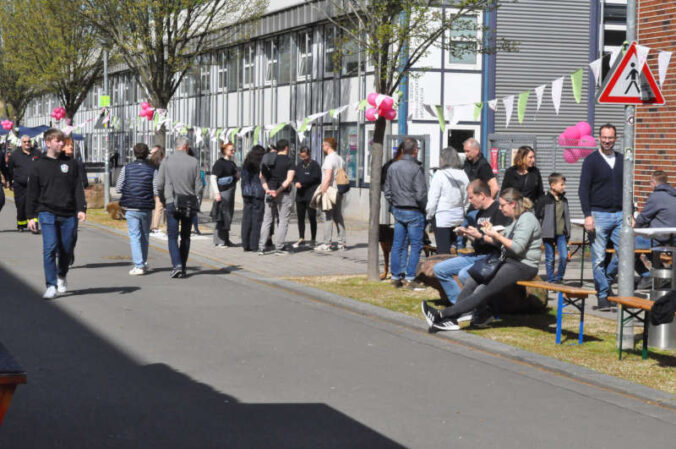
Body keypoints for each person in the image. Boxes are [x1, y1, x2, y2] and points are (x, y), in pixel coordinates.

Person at [422, 188, 542, 331]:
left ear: (513, 204)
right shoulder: (514, 220)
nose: (500, 207)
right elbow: (501, 243)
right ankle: (453, 319)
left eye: (503, 205)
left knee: (484, 289)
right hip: (509, 261)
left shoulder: (527, 219)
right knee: (473, 279)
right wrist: (485, 234)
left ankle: (442, 315)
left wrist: (497, 236)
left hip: (523, 265)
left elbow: (517, 248)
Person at [26, 128, 86, 299]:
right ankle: (51, 284)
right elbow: (32, 192)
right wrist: (31, 216)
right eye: (58, 141)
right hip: (47, 212)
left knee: (66, 249)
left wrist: (81, 208)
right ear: (48, 143)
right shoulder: (38, 165)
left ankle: (61, 275)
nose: (62, 144)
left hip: (68, 213)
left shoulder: (71, 163)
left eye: (63, 141)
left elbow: (77, 188)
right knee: (50, 248)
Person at [433, 180, 511, 305]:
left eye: (471, 197)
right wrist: (467, 234)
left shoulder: (498, 211)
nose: (469, 201)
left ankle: (476, 308)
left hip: (492, 257)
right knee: (439, 269)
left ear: (482, 195)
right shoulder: (479, 213)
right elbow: (478, 241)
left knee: (465, 274)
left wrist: (479, 235)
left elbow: (499, 242)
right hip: (476, 255)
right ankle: (460, 305)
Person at [578, 123, 623, 311]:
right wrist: (587, 215)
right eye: (604, 137)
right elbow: (583, 190)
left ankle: (606, 280)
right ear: (599, 137)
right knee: (597, 259)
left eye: (610, 137)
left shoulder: (622, 159)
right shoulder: (591, 160)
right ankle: (603, 295)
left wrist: (631, 213)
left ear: (616, 138)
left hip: (620, 215)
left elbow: (628, 187)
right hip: (598, 214)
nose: (607, 141)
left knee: (625, 254)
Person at [383, 137, 427, 290]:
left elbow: (387, 190)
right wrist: (424, 207)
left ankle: (395, 277)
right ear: (415, 151)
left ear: (402, 150)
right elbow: (421, 194)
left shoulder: (393, 167)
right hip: (413, 209)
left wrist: (393, 204)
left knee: (397, 244)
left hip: (399, 209)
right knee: (415, 245)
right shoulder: (416, 168)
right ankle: (409, 278)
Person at [157, 136, 203, 278]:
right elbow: (199, 186)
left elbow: (159, 184)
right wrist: (197, 201)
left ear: (176, 146)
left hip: (172, 201)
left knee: (172, 236)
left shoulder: (166, 161)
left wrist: (163, 199)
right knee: (186, 236)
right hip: (189, 202)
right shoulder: (194, 162)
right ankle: (182, 266)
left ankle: (176, 265)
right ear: (186, 146)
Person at [116, 143, 158, 275]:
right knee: (145, 235)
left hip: (131, 205)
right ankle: (143, 262)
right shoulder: (153, 169)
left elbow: (118, 187)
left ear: (134, 153)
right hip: (146, 206)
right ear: (147, 154)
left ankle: (139, 265)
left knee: (134, 235)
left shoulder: (127, 168)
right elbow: (156, 189)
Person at [633, 170, 676, 288]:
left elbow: (643, 218)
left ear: (654, 182)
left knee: (627, 246)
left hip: (658, 238)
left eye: (650, 183)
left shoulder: (656, 197)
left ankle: (647, 276)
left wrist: (634, 230)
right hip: (672, 238)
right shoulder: (674, 194)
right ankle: (662, 276)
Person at [426, 147, 469, 254]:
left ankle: (444, 270)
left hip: (442, 218)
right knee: (456, 249)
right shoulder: (463, 175)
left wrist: (429, 215)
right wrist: (464, 212)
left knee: (443, 251)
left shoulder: (439, 175)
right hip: (458, 217)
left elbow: (433, 199)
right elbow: (467, 198)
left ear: (443, 159)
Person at [258, 139, 295, 255]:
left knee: (267, 220)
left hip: (269, 193)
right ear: (287, 148)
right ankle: (279, 247)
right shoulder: (289, 161)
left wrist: (267, 189)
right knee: (283, 220)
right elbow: (289, 179)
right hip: (283, 193)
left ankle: (262, 247)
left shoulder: (268, 159)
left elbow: (261, 176)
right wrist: (278, 191)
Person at [536, 173, 570, 284]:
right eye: (562, 184)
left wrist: (568, 232)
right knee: (549, 258)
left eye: (564, 184)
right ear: (553, 185)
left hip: (561, 234)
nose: (564, 187)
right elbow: (537, 216)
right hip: (548, 234)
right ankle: (551, 280)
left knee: (564, 257)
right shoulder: (544, 200)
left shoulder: (564, 200)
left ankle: (559, 277)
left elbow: (567, 217)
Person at [315, 137, 347, 251]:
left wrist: (323, 190)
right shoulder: (340, 159)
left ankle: (327, 243)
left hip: (330, 190)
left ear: (328, 146)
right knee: (338, 216)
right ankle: (341, 242)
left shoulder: (329, 159)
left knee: (327, 216)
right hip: (338, 190)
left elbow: (328, 176)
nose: (322, 147)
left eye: (323, 145)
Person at [62, 136, 88, 266]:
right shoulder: (55, 163)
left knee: (72, 235)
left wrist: (82, 207)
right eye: (67, 145)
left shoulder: (77, 163)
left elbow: (84, 182)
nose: (71, 147)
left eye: (71, 145)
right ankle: (62, 254)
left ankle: (69, 251)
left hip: (73, 204)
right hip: (58, 204)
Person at [8, 135, 41, 232]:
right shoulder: (15, 155)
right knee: (21, 205)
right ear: (21, 143)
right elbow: (10, 169)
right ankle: (21, 224)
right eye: (25, 142)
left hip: (34, 185)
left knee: (34, 205)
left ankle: (34, 225)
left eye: (28, 141)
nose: (27, 143)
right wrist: (11, 182)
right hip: (20, 186)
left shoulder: (37, 153)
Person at [211, 142, 239, 247]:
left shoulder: (232, 163)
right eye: (231, 150)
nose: (233, 151)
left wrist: (237, 176)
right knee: (221, 216)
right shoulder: (219, 163)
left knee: (228, 216)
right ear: (225, 150)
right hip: (223, 192)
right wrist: (216, 193)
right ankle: (219, 240)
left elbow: (234, 176)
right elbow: (213, 178)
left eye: (233, 149)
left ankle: (225, 239)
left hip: (230, 191)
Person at [293, 146, 321, 247]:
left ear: (309, 155)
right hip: (300, 195)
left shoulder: (315, 165)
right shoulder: (299, 165)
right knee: (300, 217)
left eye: (305, 156)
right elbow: (295, 177)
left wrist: (302, 182)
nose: (303, 159)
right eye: (301, 156)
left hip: (310, 194)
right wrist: (295, 183)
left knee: (312, 217)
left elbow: (315, 178)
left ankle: (313, 239)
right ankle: (301, 238)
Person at [241, 145, 266, 252]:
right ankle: (254, 244)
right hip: (258, 193)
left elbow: (243, 177)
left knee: (246, 217)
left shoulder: (246, 163)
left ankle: (245, 244)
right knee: (257, 219)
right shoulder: (261, 164)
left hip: (246, 192)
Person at [149, 145, 166, 236]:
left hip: (151, 186)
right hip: (159, 186)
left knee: (154, 208)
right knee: (159, 208)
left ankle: (151, 225)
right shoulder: (163, 162)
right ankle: (155, 227)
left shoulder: (151, 162)